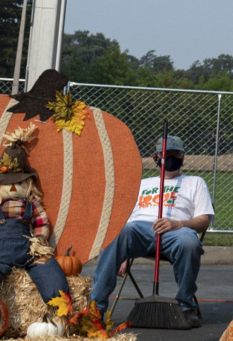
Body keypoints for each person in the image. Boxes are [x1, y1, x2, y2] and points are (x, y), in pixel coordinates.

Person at [90, 136, 213, 328]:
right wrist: (121, 255)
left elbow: (204, 220)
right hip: (139, 230)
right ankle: (96, 309)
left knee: (190, 242)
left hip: (176, 232)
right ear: (156, 158)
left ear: (183, 157)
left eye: (175, 154)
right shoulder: (142, 184)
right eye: (166, 154)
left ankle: (185, 306)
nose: (171, 157)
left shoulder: (195, 182)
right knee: (117, 233)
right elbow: (126, 221)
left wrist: (177, 224)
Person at [0, 128, 69, 307]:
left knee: (48, 268)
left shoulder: (31, 204)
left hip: (27, 251)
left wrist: (38, 241)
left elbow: (42, 223)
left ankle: (59, 306)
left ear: (27, 184)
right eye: (6, 183)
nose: (11, 188)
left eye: (18, 183)